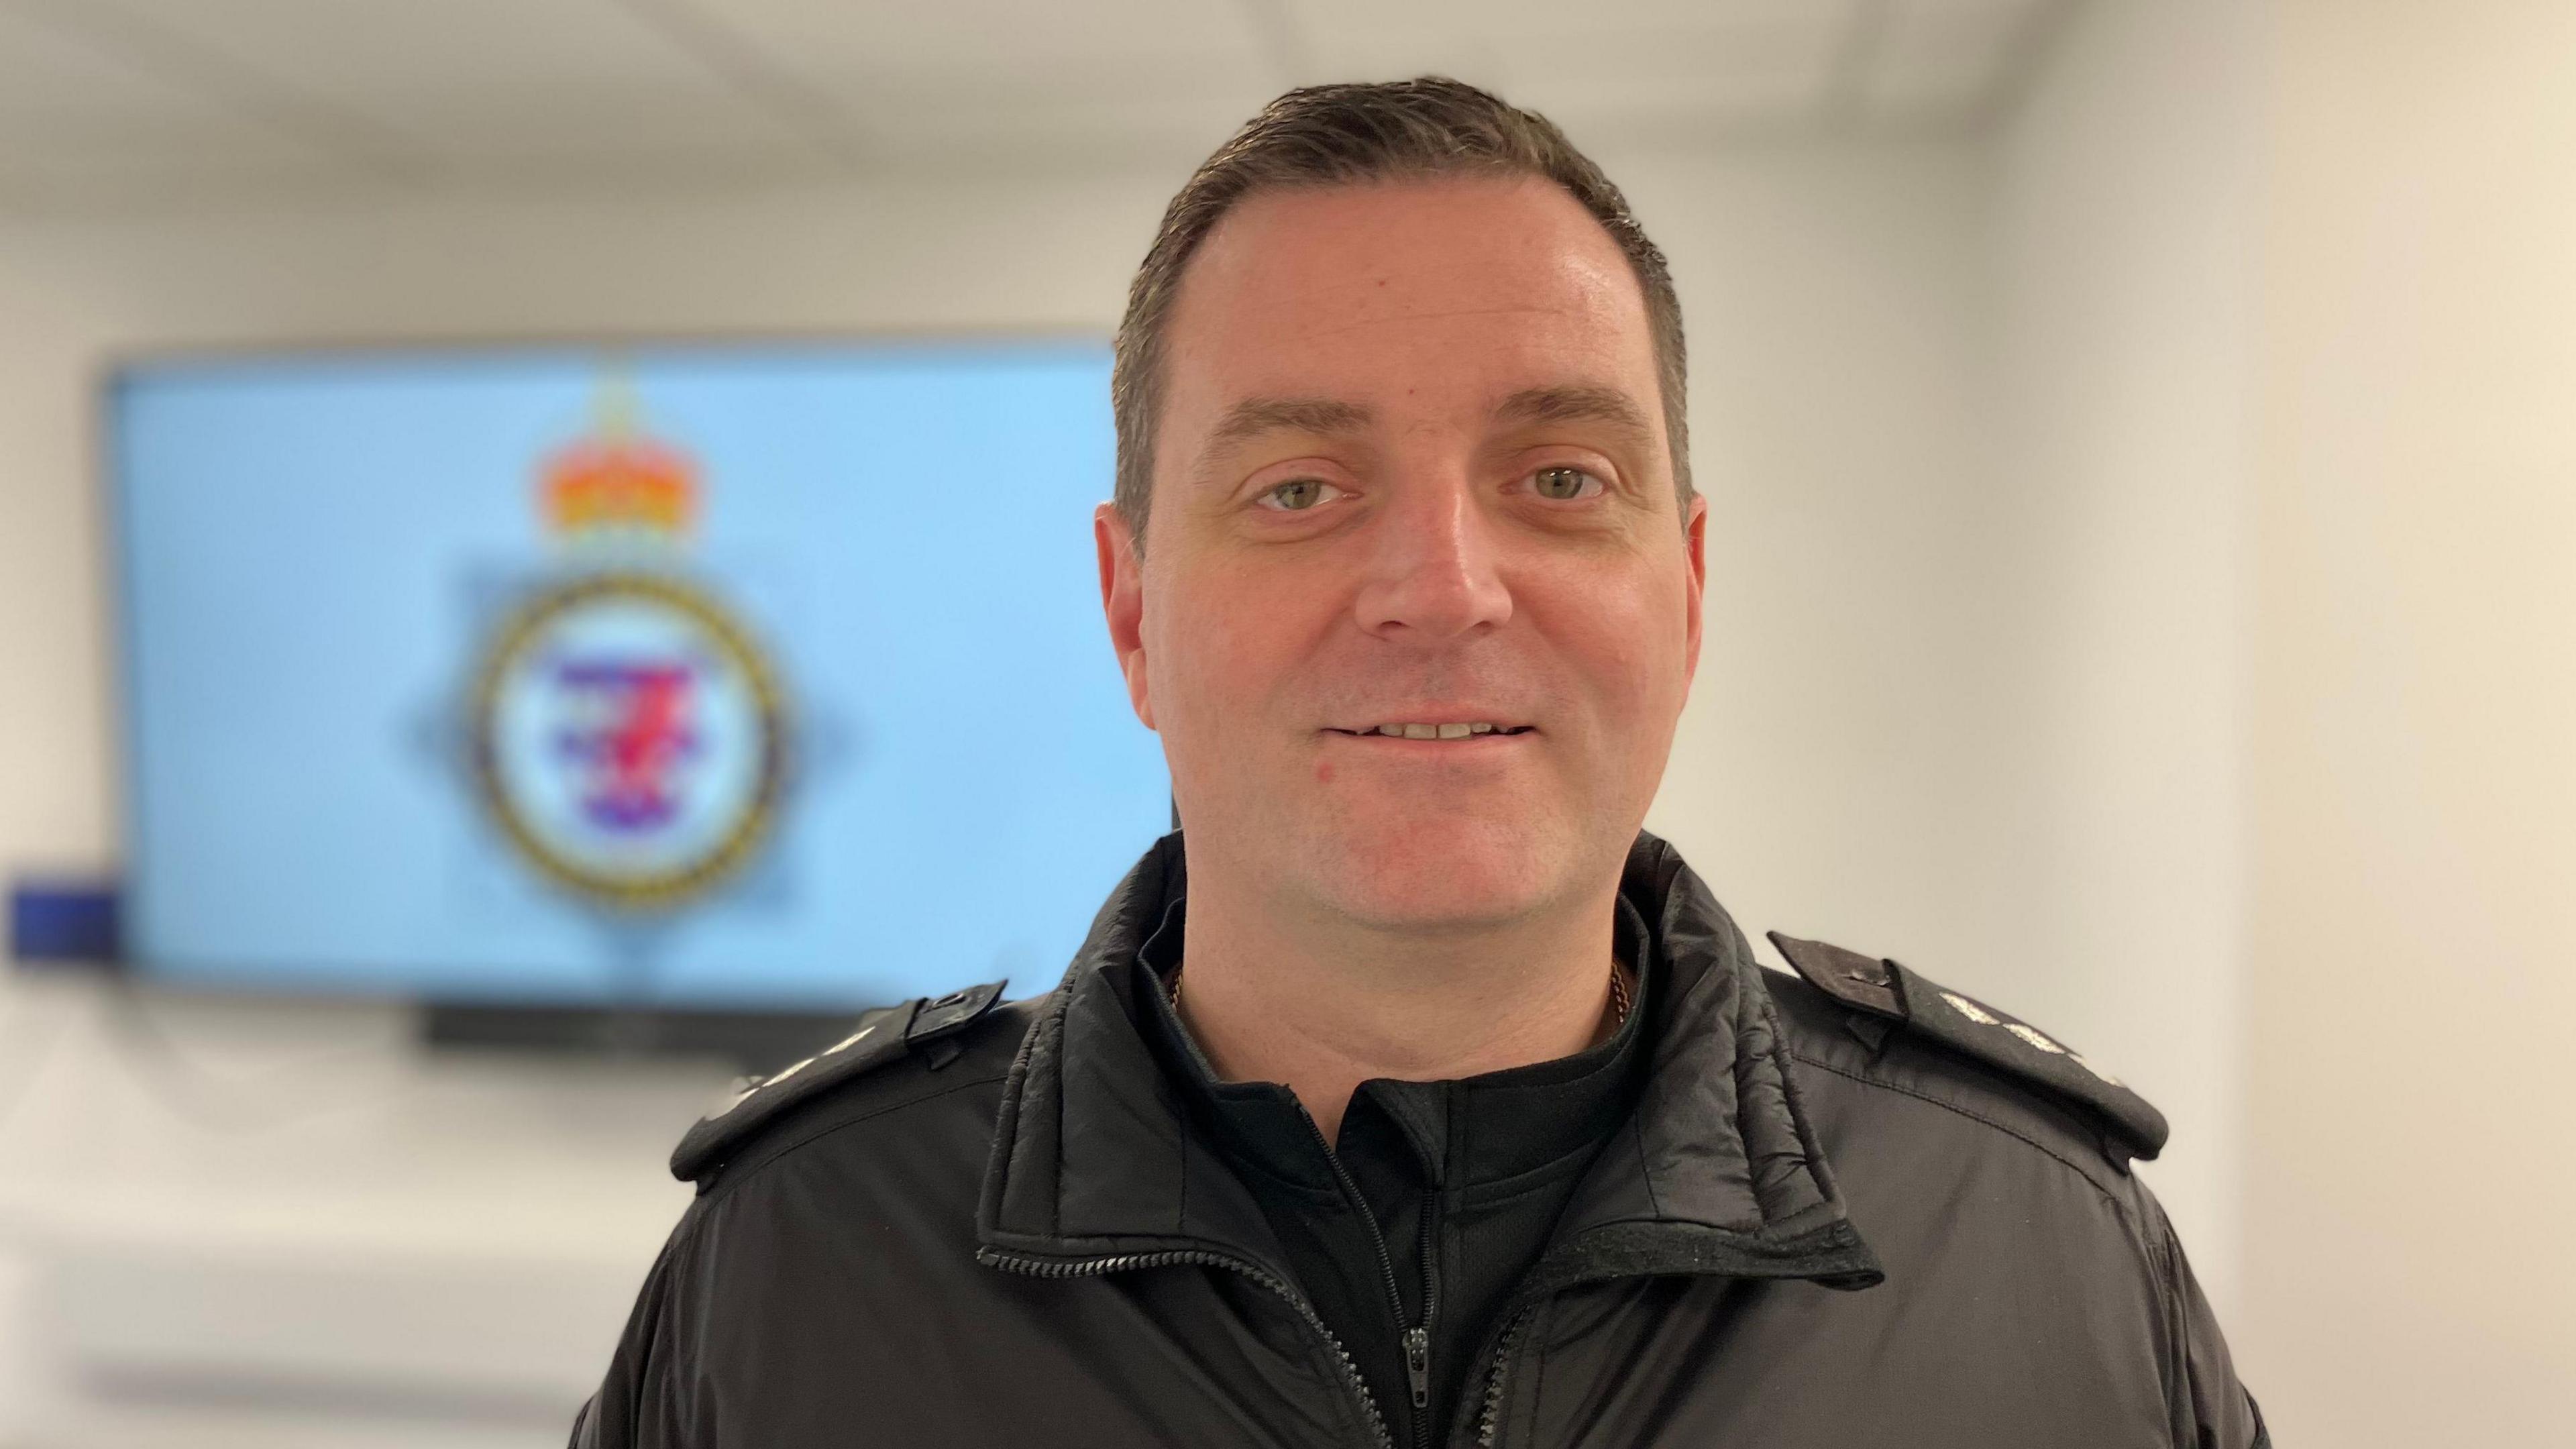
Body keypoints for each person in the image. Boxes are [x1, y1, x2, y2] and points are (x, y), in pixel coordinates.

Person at [571, 78, 2263, 1448]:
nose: (1443, 592)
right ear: (1135, 612)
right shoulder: (793, 1267)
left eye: (1560, 479)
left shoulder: (2047, 1253)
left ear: (1684, 591)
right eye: (1299, 487)